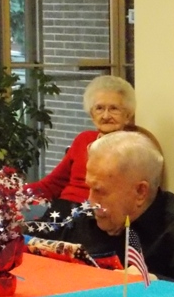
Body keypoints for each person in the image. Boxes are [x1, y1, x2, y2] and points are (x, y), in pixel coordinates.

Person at [50, 131, 174, 292]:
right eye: (89, 188)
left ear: (140, 192)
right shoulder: (85, 215)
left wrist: (154, 283)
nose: (91, 201)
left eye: (100, 191)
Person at [26, 75, 136, 219]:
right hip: (62, 209)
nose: (105, 116)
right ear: (91, 114)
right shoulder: (83, 139)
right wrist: (12, 194)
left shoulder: (133, 149)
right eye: (99, 108)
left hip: (96, 215)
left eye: (114, 109)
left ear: (127, 115)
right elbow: (52, 184)